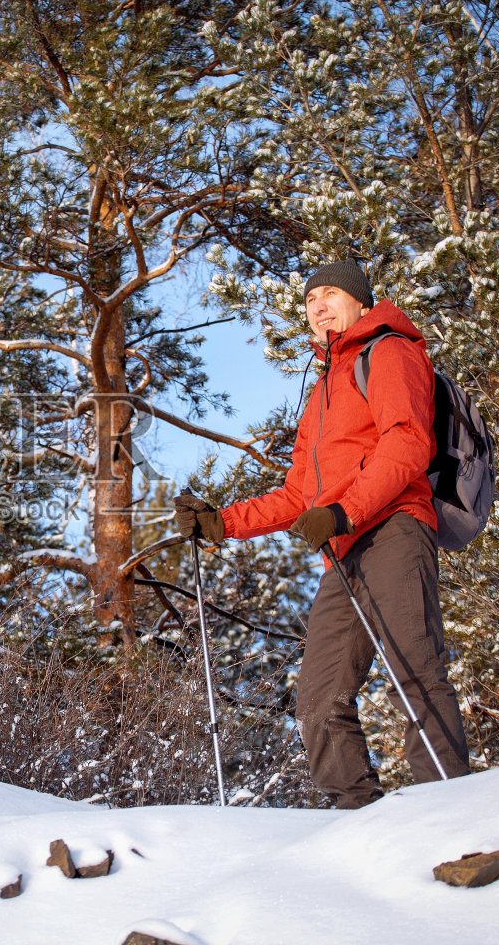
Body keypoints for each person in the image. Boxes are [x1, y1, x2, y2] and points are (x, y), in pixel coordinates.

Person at [174, 260, 470, 808]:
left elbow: (407, 444)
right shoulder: (324, 391)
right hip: (345, 551)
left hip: (394, 529)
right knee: (318, 696)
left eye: (330, 293)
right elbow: (297, 496)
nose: (317, 305)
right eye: (310, 300)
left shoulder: (389, 351)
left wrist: (345, 511)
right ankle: (357, 816)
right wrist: (223, 522)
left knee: (415, 670)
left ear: (360, 302)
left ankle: (450, 811)